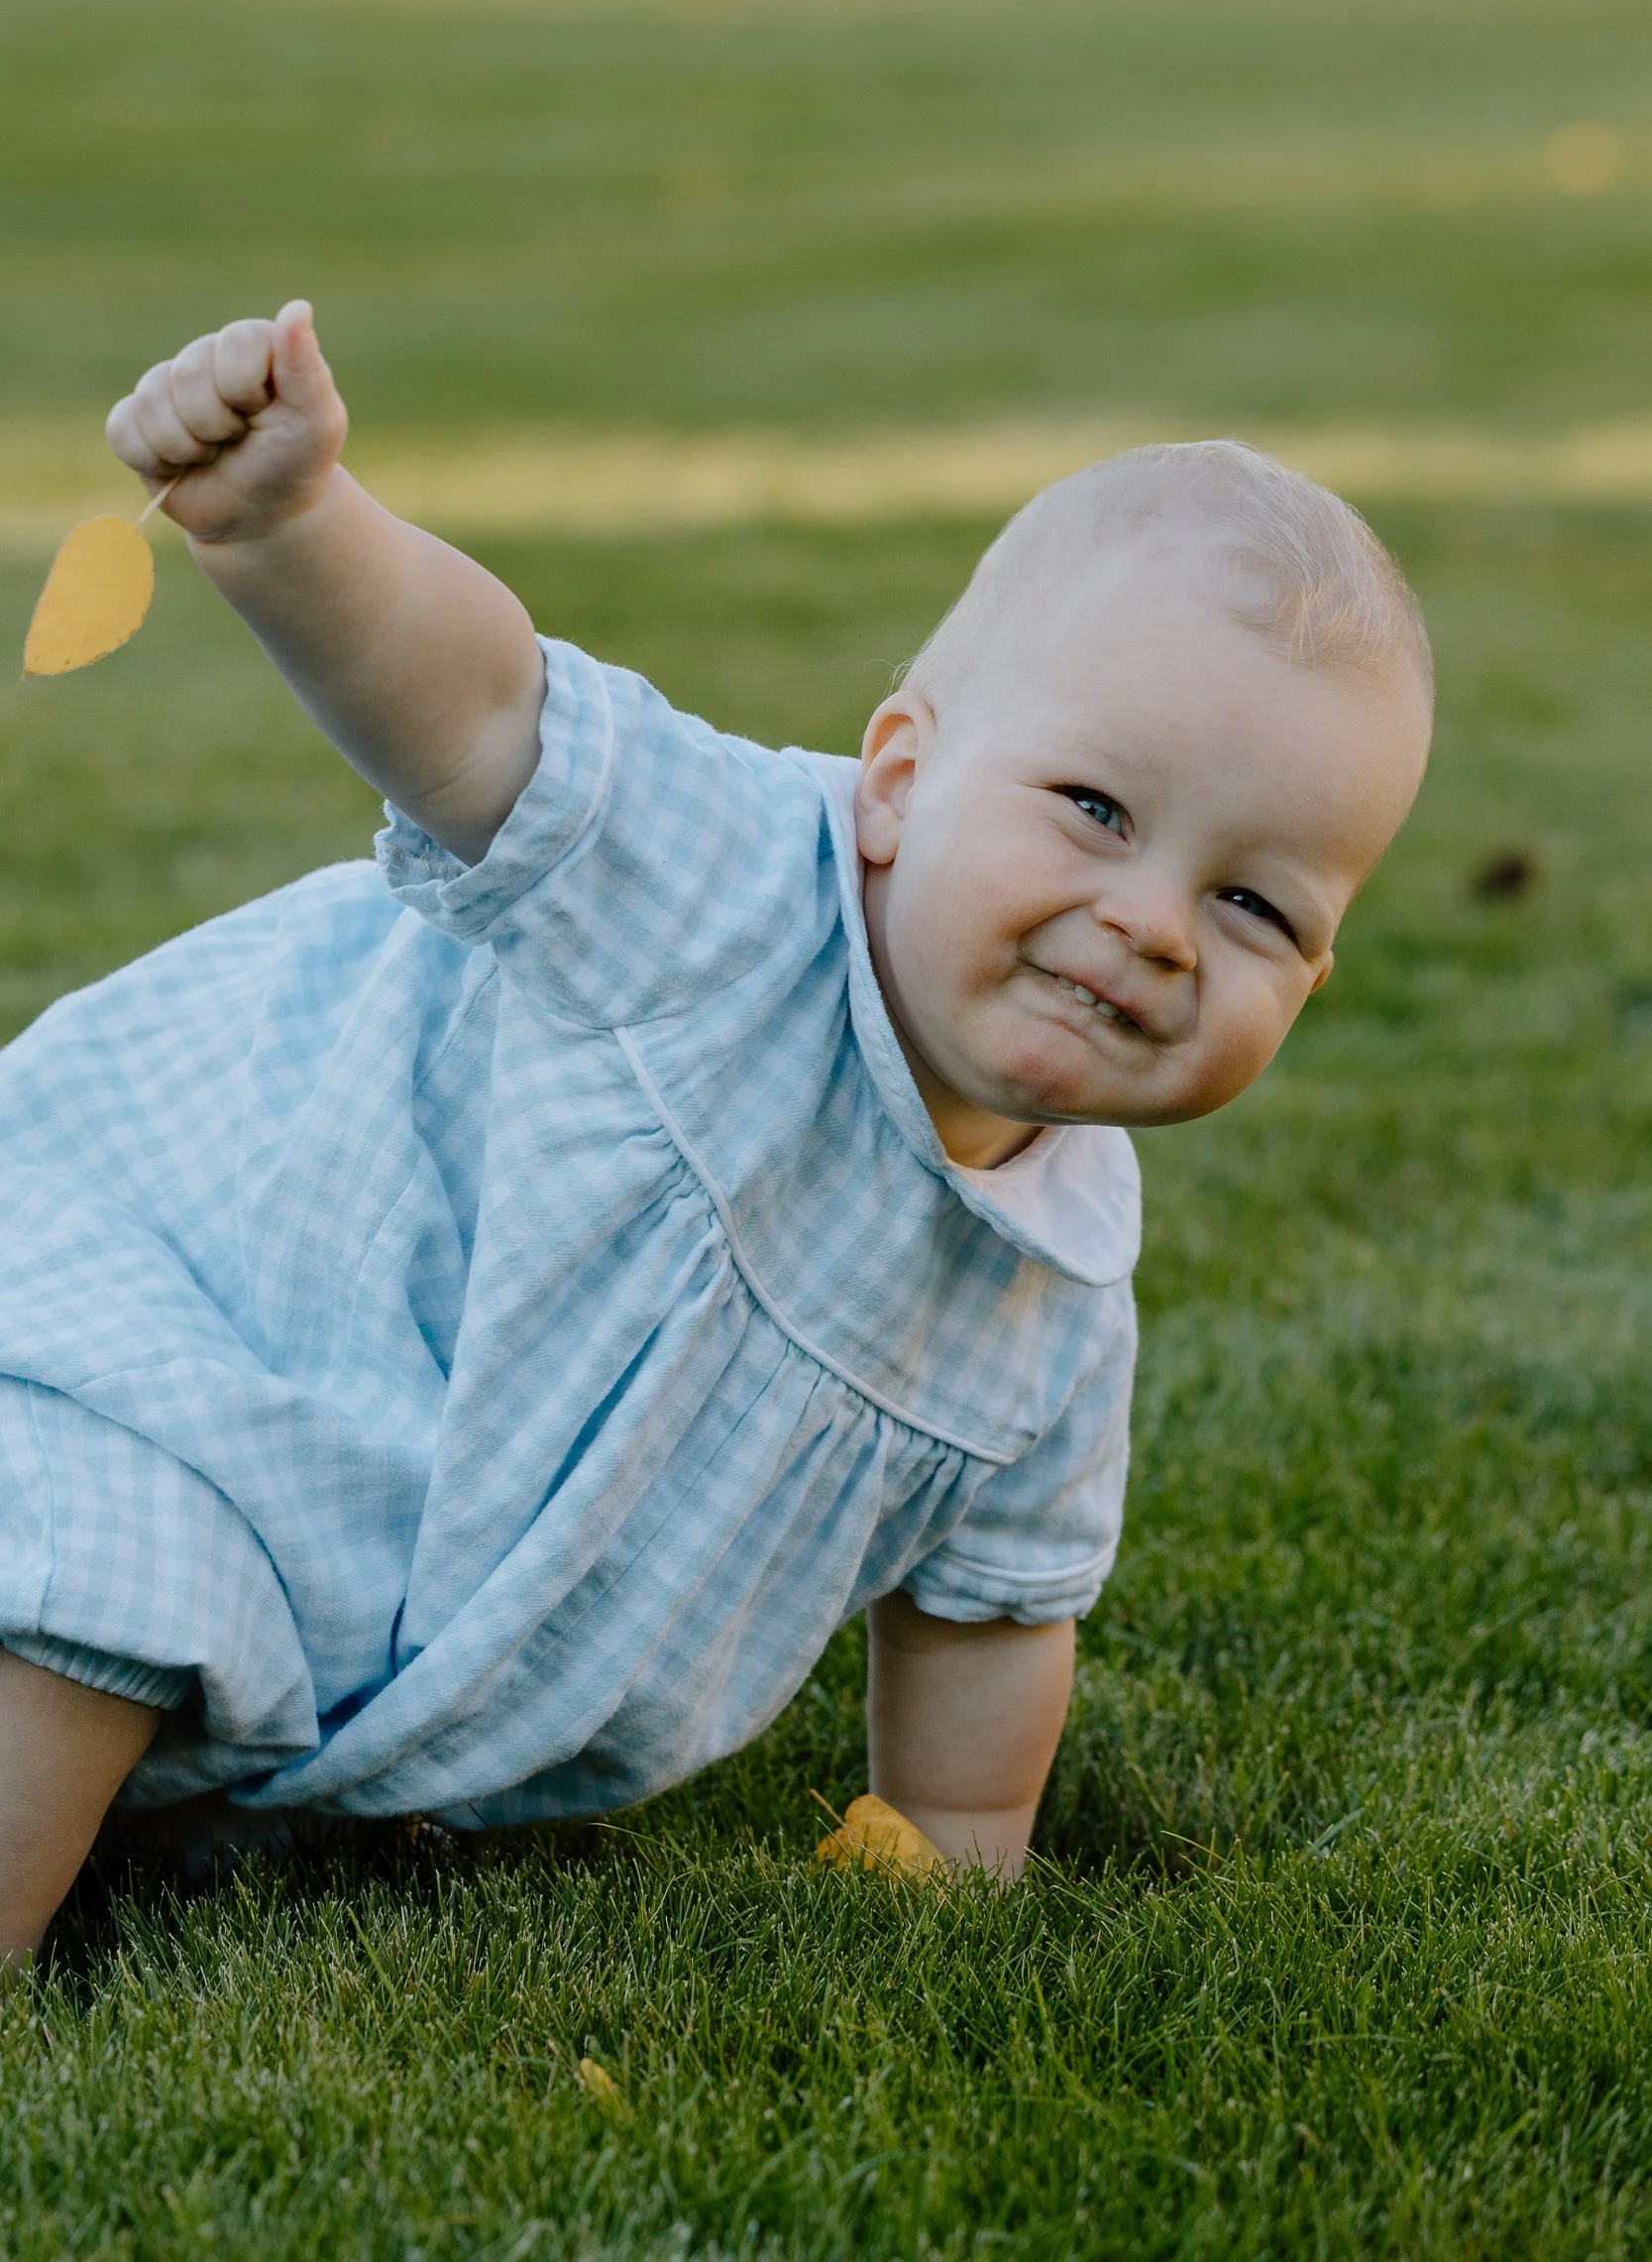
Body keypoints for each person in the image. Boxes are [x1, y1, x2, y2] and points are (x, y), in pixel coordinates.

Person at [0, 305, 1432, 1965]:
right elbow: (474, 716)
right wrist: (288, 523)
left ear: (1314, 976)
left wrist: (961, 1857)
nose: (1152, 925)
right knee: (97, 1575)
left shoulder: (1046, 1295)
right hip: (182, 1311)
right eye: (1095, 812)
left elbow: (989, 1610)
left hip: (365, 1504)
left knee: (217, 1685)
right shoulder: (720, 883)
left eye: (1251, 902)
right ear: (899, 776)